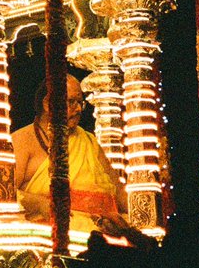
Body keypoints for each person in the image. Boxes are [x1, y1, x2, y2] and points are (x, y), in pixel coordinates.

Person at [11, 75, 123, 231]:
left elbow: (118, 191)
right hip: (48, 236)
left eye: (80, 103)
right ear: (47, 104)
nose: (78, 109)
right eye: (71, 102)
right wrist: (39, 203)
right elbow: (2, 194)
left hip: (99, 238)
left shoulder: (89, 141)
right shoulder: (23, 140)